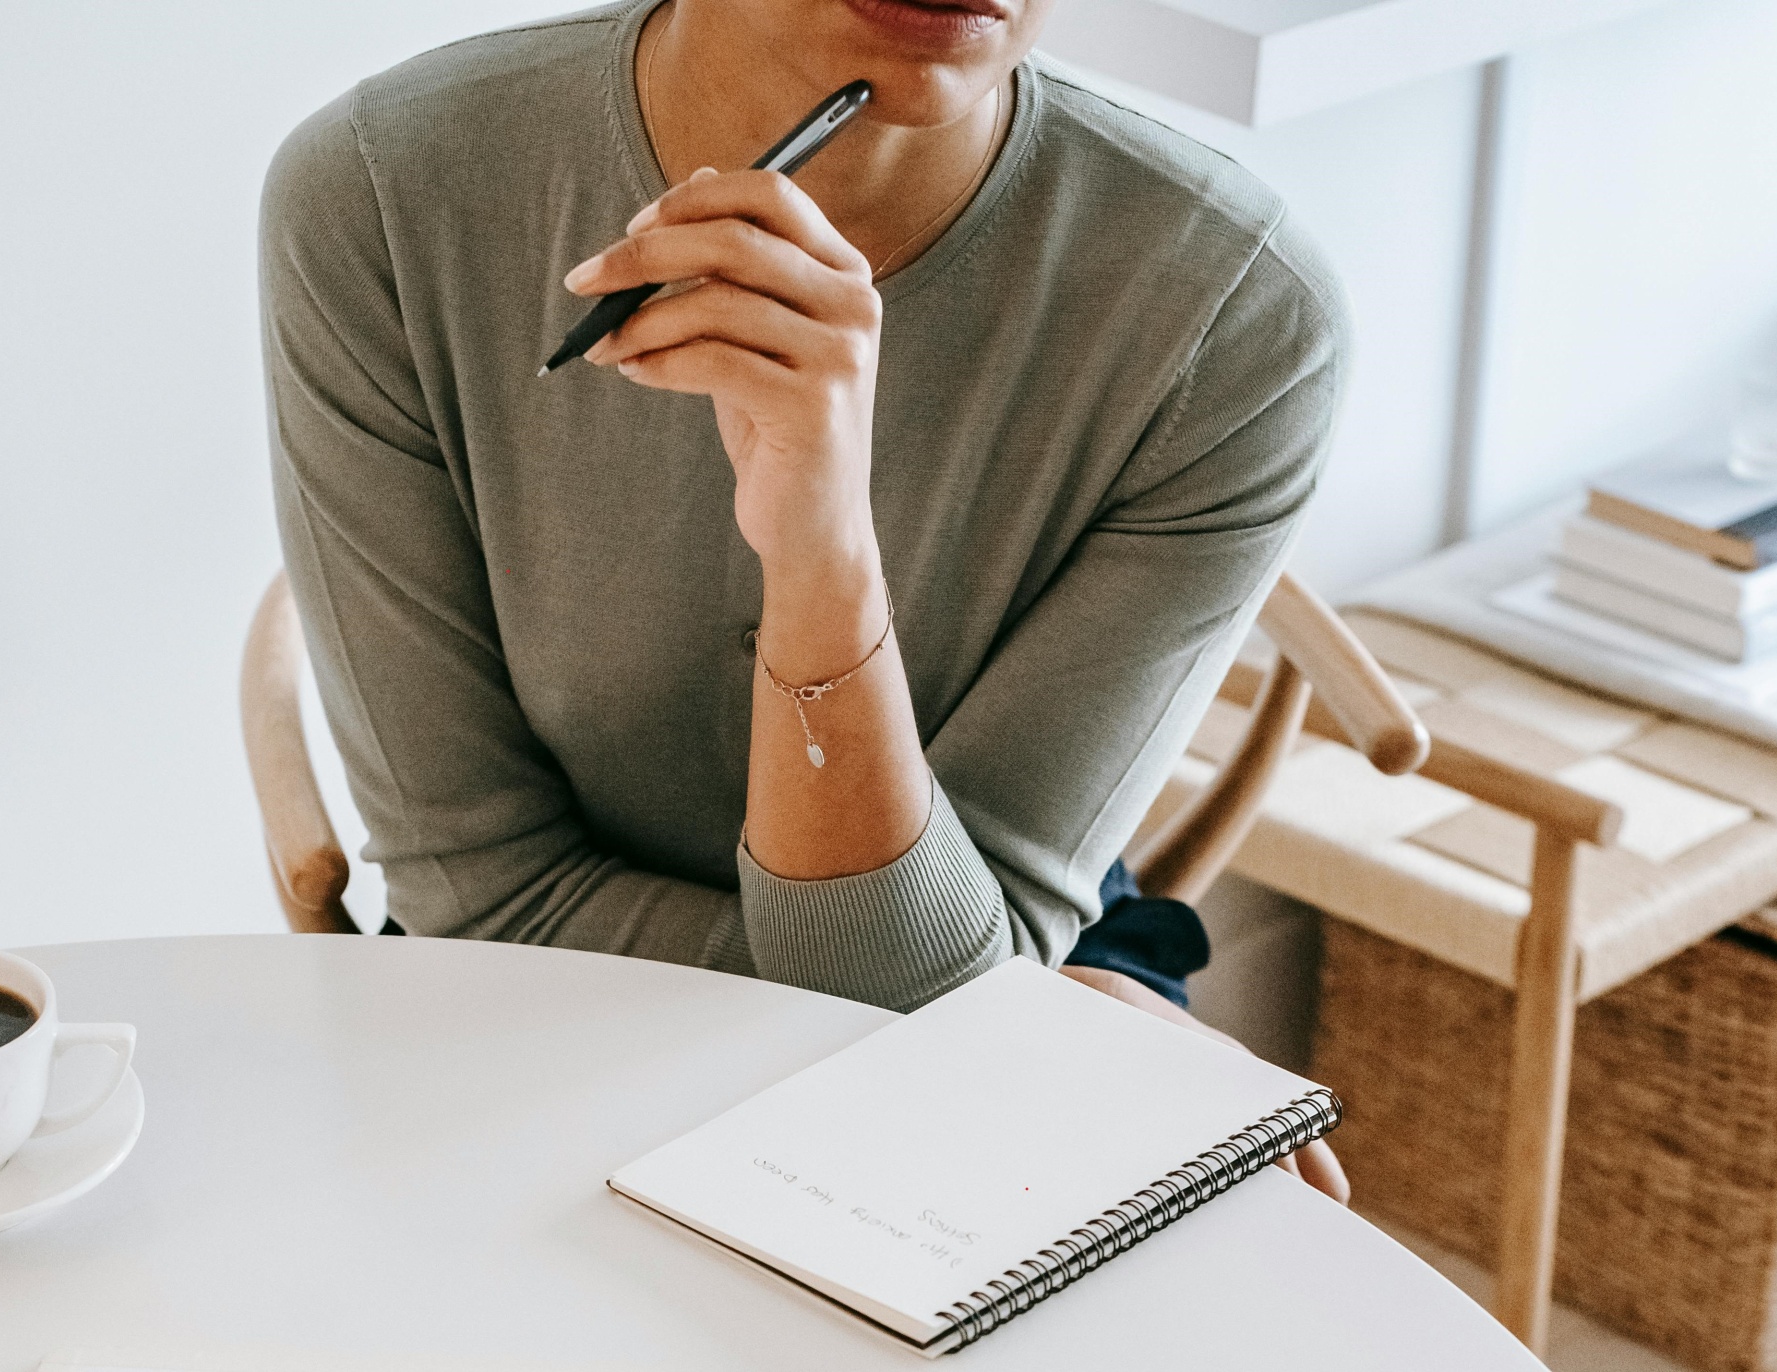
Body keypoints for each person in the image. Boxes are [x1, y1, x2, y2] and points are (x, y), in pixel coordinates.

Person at [261, 0, 1349, 1199]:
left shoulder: (1237, 314)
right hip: (555, 995)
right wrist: (989, 1003)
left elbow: (957, 977)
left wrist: (823, 553)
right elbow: (483, 890)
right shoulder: (382, 192)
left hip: (986, 986)